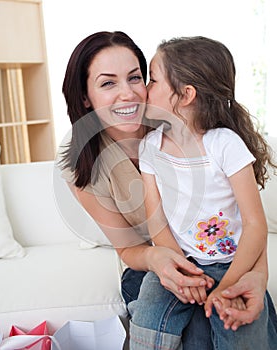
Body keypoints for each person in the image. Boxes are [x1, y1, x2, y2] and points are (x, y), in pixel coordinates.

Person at [59, 31, 277, 349]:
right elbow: (130, 249)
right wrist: (169, 263)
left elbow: (248, 223)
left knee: (231, 320)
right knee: (193, 335)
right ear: (85, 97)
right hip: (156, 261)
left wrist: (256, 275)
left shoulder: (184, 124)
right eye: (108, 83)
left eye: (137, 78)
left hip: (224, 258)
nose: (130, 94)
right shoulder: (85, 161)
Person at [129, 35, 277, 349]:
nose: (145, 88)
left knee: (236, 326)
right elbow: (157, 221)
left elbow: (255, 224)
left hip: (232, 264)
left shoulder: (225, 144)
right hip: (180, 260)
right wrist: (183, 269)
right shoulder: (150, 147)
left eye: (153, 80)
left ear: (186, 95)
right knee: (148, 309)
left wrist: (232, 282)